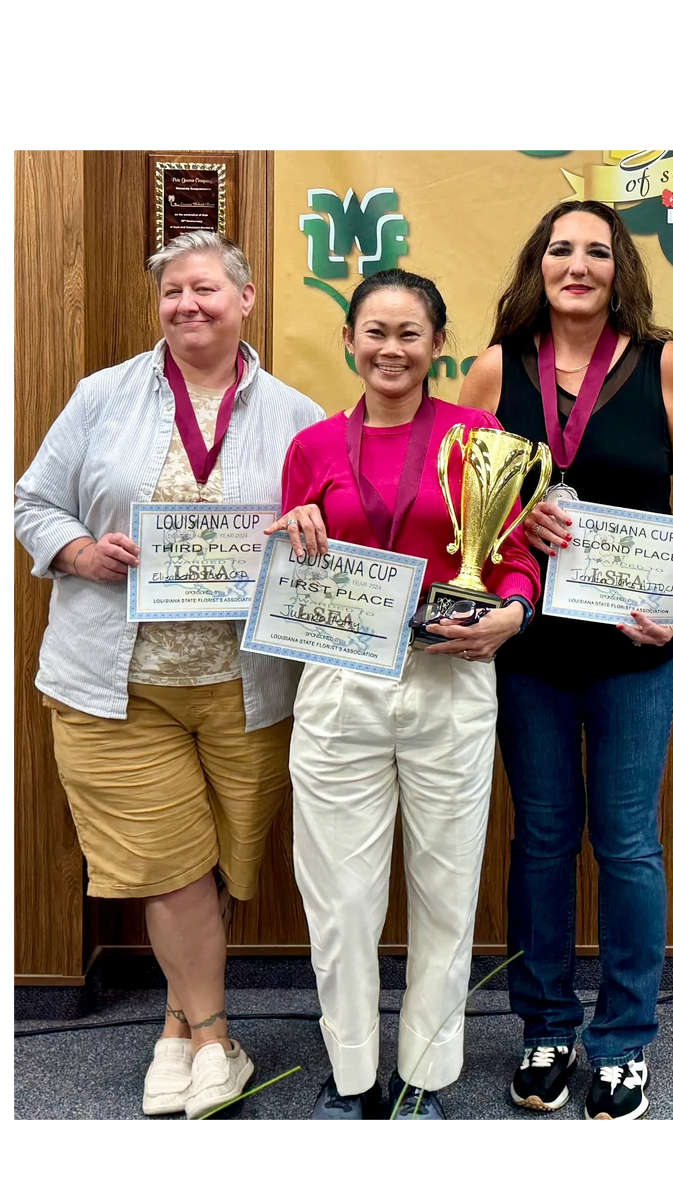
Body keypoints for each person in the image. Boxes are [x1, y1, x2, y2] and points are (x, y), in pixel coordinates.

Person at [11, 231, 324, 1122]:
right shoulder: (100, 397)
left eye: (206, 290)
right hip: (113, 680)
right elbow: (33, 501)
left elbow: (326, 526)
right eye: (173, 293)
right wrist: (75, 548)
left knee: (220, 858)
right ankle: (213, 1036)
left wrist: (306, 528)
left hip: (247, 682)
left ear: (246, 299)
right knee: (167, 863)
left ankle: (178, 1024)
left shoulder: (299, 415)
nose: (189, 304)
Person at [460, 199, 673, 1123]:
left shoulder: (665, 363)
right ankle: (543, 1026)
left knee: (626, 844)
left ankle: (620, 1042)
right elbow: (461, 504)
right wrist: (508, 519)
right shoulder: (495, 365)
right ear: (538, 264)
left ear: (621, 270)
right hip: (526, 645)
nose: (578, 265)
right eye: (561, 249)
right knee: (538, 841)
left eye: (596, 252)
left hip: (633, 648)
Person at [266, 268, 542, 1123]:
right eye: (374, 331)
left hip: (450, 678)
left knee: (446, 886)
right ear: (349, 340)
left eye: (409, 333)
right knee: (342, 899)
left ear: (436, 345)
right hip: (340, 685)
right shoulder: (312, 446)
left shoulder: (479, 435)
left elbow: (515, 555)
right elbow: (287, 565)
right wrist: (293, 529)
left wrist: (515, 611)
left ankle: (425, 1074)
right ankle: (350, 1076)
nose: (391, 348)